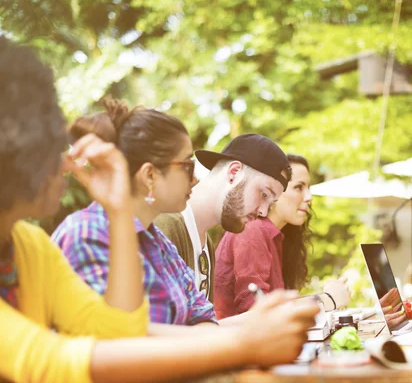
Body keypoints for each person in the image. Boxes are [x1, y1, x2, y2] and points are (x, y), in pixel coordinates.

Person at [0, 36, 319, 383]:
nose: (65, 162)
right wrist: (243, 342)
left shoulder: (29, 246)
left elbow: (117, 332)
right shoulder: (82, 235)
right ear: (15, 153)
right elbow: (54, 363)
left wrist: (120, 212)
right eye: (52, 143)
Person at [52, 99, 221, 328]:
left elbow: (203, 316)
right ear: (149, 175)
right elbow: (117, 340)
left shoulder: (159, 242)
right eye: (187, 165)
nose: (195, 178)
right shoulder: (86, 234)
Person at [154, 133, 293, 305]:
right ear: (234, 173)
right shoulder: (164, 225)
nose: (264, 212)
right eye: (263, 194)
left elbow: (202, 326)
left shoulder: (206, 245)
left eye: (271, 203)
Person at [213, 154, 351, 319]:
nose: (309, 197)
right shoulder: (251, 230)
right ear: (274, 190)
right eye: (299, 187)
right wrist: (327, 300)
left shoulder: (276, 236)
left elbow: (278, 308)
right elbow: (258, 311)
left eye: (308, 188)